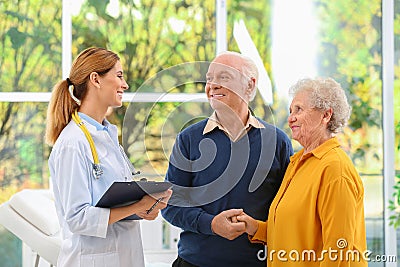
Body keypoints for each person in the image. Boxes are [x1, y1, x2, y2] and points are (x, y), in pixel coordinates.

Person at [161, 51, 293, 267]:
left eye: (224, 77)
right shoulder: (189, 139)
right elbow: (170, 204)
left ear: (250, 86)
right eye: (209, 78)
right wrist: (211, 224)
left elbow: (289, 210)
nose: (213, 85)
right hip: (194, 263)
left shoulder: (277, 142)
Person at [45, 47, 172, 267]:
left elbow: (112, 199)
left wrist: (144, 207)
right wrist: (136, 207)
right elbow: (77, 218)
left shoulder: (106, 134)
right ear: (96, 79)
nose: (125, 85)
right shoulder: (72, 143)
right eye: (119, 76)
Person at [237, 77, 367, 266]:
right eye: (290, 111)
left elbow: (338, 253)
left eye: (299, 109)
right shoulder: (298, 163)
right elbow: (293, 232)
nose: (290, 118)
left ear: (326, 115)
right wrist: (254, 227)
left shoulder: (335, 169)